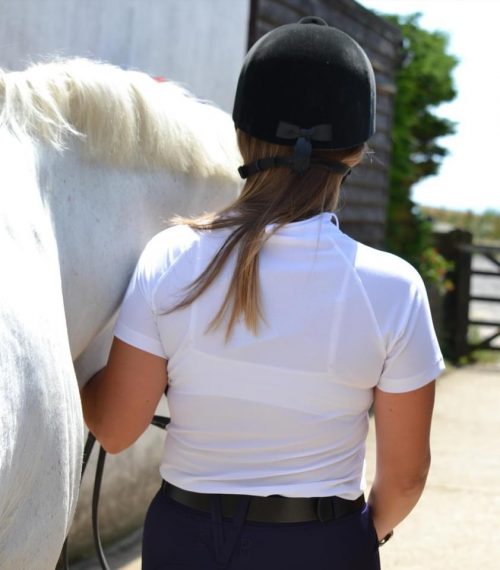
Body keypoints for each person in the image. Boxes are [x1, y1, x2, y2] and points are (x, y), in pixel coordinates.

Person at [81, 16, 444, 570]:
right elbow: (406, 478)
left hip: (186, 539)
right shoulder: (394, 288)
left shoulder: (172, 258)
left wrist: (74, 357)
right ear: (354, 152)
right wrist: (351, 540)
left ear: (242, 134)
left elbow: (113, 429)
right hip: (323, 541)